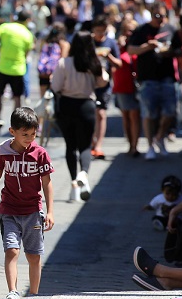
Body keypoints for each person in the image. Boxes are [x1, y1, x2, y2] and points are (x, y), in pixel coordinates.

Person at [0, 107, 54, 299]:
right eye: (24, 134)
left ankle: (34, 296)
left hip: (33, 212)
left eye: (33, 134)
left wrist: (50, 211)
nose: (29, 138)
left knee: (34, 256)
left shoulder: (40, 154)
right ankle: (13, 292)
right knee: (12, 250)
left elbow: (47, 183)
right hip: (8, 210)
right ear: (12, 131)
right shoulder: (3, 152)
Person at [51, 31, 109, 202]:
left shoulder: (64, 63)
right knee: (85, 146)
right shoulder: (93, 63)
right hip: (87, 106)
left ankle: (74, 183)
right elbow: (103, 81)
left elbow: (55, 86)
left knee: (70, 146)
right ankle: (84, 173)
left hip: (67, 106)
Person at [127, 1, 181, 160]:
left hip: (167, 78)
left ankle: (160, 137)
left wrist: (169, 51)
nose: (161, 19)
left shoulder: (171, 29)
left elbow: (180, 51)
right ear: (151, 15)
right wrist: (147, 47)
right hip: (148, 79)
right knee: (149, 114)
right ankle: (151, 145)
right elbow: (131, 50)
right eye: (157, 16)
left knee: (170, 112)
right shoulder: (141, 30)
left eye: (163, 15)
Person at [0, 10, 34, 133]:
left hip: (3, 67)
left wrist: (0, 47)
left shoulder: (5, 27)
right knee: (17, 97)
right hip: (18, 69)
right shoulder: (28, 34)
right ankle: (16, 125)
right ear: (27, 20)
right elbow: (27, 53)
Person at [91, 14, 122, 159]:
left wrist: (108, 56)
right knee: (91, 113)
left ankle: (99, 145)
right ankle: (91, 141)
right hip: (89, 82)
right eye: (97, 31)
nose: (99, 34)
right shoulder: (89, 42)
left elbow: (119, 63)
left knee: (101, 113)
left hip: (104, 83)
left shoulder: (110, 43)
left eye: (102, 31)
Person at [113, 19, 141, 157]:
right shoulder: (118, 47)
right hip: (122, 85)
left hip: (135, 86)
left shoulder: (138, 45)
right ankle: (130, 145)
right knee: (126, 116)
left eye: (132, 30)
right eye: (127, 30)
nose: (129, 33)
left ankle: (135, 147)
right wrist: (120, 45)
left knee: (134, 116)